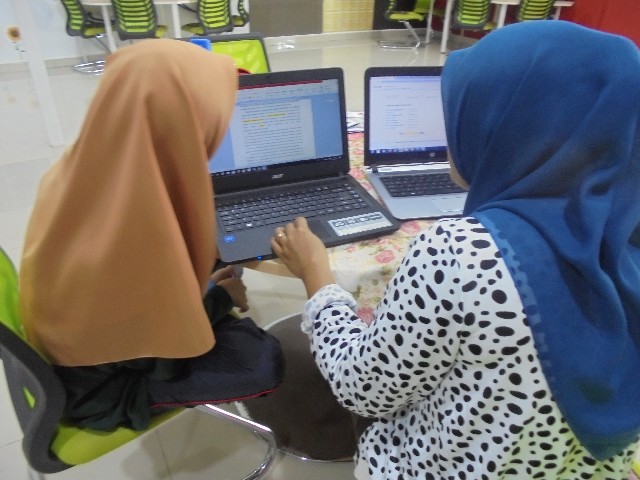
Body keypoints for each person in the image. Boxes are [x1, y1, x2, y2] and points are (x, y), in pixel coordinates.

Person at [270, 21, 640, 479]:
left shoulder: (462, 254)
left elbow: (362, 388)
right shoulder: (622, 228)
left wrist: (316, 276)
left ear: (506, 127)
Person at [19, 39, 283, 431]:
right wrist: (220, 299)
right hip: (104, 391)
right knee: (262, 360)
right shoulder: (128, 248)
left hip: (92, 345)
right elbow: (163, 357)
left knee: (217, 259)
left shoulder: (80, 169)